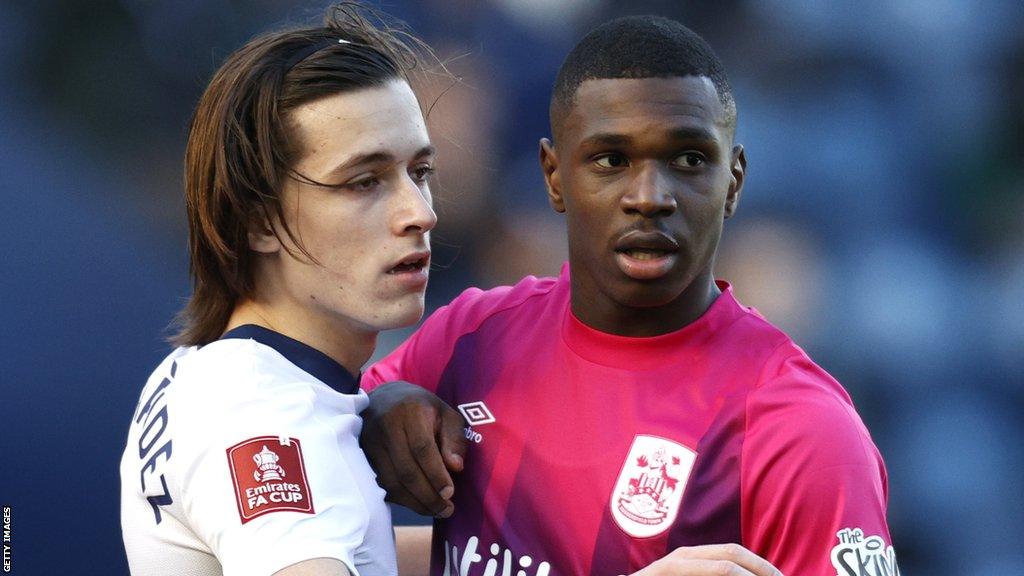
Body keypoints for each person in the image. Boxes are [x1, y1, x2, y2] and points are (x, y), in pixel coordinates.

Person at [360, 15, 900, 576]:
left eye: (688, 159)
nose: (649, 197)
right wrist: (375, 405)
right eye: (611, 161)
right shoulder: (469, 339)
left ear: (733, 182)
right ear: (553, 177)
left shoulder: (801, 431)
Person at [119, 4, 440, 575]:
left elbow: (369, 557)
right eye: (364, 181)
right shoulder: (262, 410)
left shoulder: (221, 372)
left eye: (419, 172)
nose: (419, 213)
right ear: (257, 222)